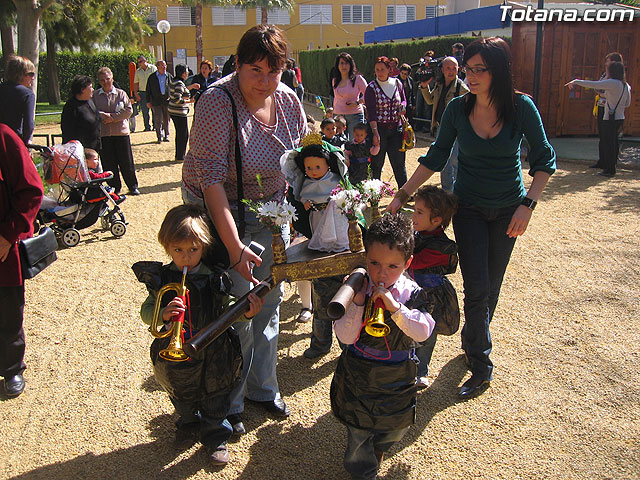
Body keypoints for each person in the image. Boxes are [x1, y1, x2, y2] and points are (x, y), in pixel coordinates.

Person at [388, 37, 556, 398]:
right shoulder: (457, 109)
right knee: (477, 288)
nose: (472, 76)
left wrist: (528, 204)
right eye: (469, 69)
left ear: (499, 71)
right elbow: (435, 157)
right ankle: (482, 366)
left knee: (491, 286)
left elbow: (544, 160)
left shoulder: (522, 107)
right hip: (470, 210)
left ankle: (473, 338)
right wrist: (401, 195)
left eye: (481, 69)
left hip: (509, 209)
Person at [182, 24, 307, 435]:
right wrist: (234, 248)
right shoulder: (217, 102)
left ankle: (262, 388)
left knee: (270, 301)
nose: (266, 81)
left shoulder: (288, 100)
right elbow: (211, 180)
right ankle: (228, 400)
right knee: (239, 306)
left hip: (272, 209)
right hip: (224, 208)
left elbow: (300, 163)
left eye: (275, 71)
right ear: (237, 64)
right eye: (255, 70)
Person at [134, 204, 264, 466]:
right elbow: (147, 312)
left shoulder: (215, 277)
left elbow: (228, 308)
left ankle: (216, 436)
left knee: (216, 397)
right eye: (178, 250)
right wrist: (164, 314)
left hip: (214, 352)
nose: (186, 257)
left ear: (204, 247)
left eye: (193, 250)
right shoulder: (162, 278)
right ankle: (187, 425)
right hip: (176, 356)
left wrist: (247, 313)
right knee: (180, 394)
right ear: (167, 247)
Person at [330, 213, 435, 480]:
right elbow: (344, 337)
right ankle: (363, 472)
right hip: (360, 374)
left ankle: (379, 448)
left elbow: (423, 332)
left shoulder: (411, 292)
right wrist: (356, 303)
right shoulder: (359, 290)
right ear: (366, 257)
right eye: (374, 263)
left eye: (392, 266)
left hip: (396, 376)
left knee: (395, 427)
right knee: (359, 429)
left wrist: (395, 308)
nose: (381, 273)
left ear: (407, 264)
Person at [0, 123, 44, 398]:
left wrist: (7, 236)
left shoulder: (4, 137)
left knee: (7, 314)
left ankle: (11, 367)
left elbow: (31, 190)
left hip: (1, 249)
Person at [407, 185, 459, 388]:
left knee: (427, 334)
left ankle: (421, 371)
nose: (414, 216)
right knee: (407, 331)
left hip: (431, 296)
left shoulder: (441, 246)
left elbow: (415, 261)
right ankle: (406, 369)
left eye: (419, 212)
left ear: (436, 220)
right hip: (413, 291)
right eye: (414, 210)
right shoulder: (418, 234)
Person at [281, 133, 349, 253]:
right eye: (309, 168)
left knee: (337, 232)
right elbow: (302, 195)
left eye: (318, 167)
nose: (313, 172)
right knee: (320, 232)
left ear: (327, 164)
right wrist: (305, 202)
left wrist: (336, 202)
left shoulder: (334, 179)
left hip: (334, 215)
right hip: (317, 213)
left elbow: (342, 195)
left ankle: (337, 245)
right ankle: (322, 246)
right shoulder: (307, 182)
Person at [565, 61, 631, 178]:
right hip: (620, 117)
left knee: (608, 143)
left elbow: (594, 84)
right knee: (613, 143)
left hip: (609, 118)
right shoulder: (625, 85)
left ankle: (609, 170)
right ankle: (611, 167)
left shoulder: (612, 83)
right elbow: (627, 103)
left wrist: (576, 81)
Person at [419, 56, 469, 192]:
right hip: (442, 127)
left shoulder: (461, 87)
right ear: (442, 69)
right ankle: (447, 193)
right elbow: (430, 101)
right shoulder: (440, 84)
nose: (451, 71)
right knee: (444, 162)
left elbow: (472, 106)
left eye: (454, 68)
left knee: (455, 161)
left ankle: (458, 192)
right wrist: (424, 86)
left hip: (456, 130)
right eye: (448, 68)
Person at [93, 66, 140, 196]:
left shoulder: (121, 94)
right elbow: (92, 111)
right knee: (109, 162)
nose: (105, 82)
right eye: (102, 80)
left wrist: (113, 118)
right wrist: (102, 116)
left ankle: (132, 185)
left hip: (121, 133)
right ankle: (114, 187)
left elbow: (128, 110)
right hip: (104, 134)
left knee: (126, 161)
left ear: (112, 79)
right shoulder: (95, 96)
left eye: (107, 79)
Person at [365, 56, 408, 189]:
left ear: (389, 69)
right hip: (379, 129)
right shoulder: (371, 87)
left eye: (382, 69)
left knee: (399, 163)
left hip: (396, 129)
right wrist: (375, 133)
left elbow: (404, 100)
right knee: (377, 163)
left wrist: (403, 107)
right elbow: (371, 112)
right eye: (377, 70)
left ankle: (404, 191)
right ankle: (374, 193)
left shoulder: (397, 83)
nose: (380, 72)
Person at [590, 53, 623, 170]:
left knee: (611, 139)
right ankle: (602, 161)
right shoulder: (605, 75)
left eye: (608, 61)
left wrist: (603, 93)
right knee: (602, 136)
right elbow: (597, 88)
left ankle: (611, 164)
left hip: (612, 110)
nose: (606, 64)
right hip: (601, 107)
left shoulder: (618, 78)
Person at [330, 53, 368, 140]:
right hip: (338, 116)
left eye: (346, 63)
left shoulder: (358, 79)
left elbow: (368, 94)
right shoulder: (335, 80)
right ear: (338, 65)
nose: (344, 66)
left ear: (351, 65)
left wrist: (357, 102)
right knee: (338, 142)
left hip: (355, 115)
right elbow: (336, 98)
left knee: (354, 143)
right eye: (341, 63)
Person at [0, 55, 36, 145]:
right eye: (31, 74)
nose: (33, 78)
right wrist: (24, 143)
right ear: (21, 74)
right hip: (13, 141)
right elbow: (29, 125)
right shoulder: (27, 94)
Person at [61, 75, 102, 151]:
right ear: (82, 89)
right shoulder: (71, 107)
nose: (93, 89)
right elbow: (68, 132)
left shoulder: (90, 101)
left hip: (94, 147)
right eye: (90, 87)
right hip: (79, 150)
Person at [169, 64, 200, 161]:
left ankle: (179, 155)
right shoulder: (179, 84)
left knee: (180, 133)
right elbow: (177, 99)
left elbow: (181, 91)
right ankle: (180, 156)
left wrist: (191, 87)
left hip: (173, 111)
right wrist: (190, 101)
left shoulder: (175, 81)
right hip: (179, 112)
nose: (188, 73)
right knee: (183, 134)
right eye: (186, 71)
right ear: (183, 73)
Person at [146, 60, 172, 143]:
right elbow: (148, 90)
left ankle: (166, 135)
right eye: (161, 65)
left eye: (164, 65)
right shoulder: (152, 77)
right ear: (157, 67)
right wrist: (148, 101)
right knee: (158, 119)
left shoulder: (169, 76)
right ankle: (159, 136)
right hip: (156, 101)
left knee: (166, 119)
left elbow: (172, 87)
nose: (163, 67)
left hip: (166, 101)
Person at [133, 55, 157, 132]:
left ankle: (155, 126)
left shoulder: (153, 68)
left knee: (154, 110)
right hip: (143, 92)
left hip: (153, 92)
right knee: (144, 110)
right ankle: (147, 126)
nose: (139, 64)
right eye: (138, 62)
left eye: (140, 61)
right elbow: (136, 83)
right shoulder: (138, 71)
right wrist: (136, 93)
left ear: (145, 61)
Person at [414, 50, 435, 134]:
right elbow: (417, 76)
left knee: (427, 108)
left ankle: (427, 126)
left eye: (428, 60)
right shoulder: (421, 67)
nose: (426, 62)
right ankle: (418, 125)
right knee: (419, 107)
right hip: (420, 89)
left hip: (429, 89)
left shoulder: (432, 68)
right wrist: (420, 66)